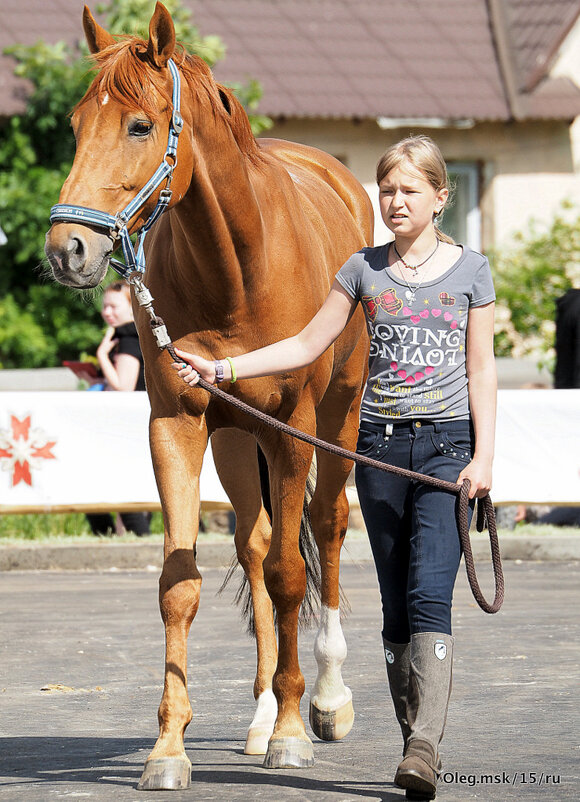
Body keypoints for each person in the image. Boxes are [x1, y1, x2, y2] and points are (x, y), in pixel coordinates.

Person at [172, 136, 497, 800]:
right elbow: (305, 342)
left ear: (441, 197)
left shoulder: (472, 271)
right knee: (395, 607)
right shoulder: (361, 269)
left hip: (445, 452)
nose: (394, 200)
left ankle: (425, 748)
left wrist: (484, 458)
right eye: (387, 189)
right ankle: (414, 737)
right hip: (375, 450)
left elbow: (483, 368)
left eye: (409, 189)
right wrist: (223, 368)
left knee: (430, 593)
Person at [87, 280, 151, 537]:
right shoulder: (140, 334)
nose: (107, 312)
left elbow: (125, 387)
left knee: (122, 490)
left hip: (130, 425)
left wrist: (103, 356)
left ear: (131, 306)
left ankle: (134, 536)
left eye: (114, 306)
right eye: (104, 306)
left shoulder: (127, 335)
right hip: (140, 422)